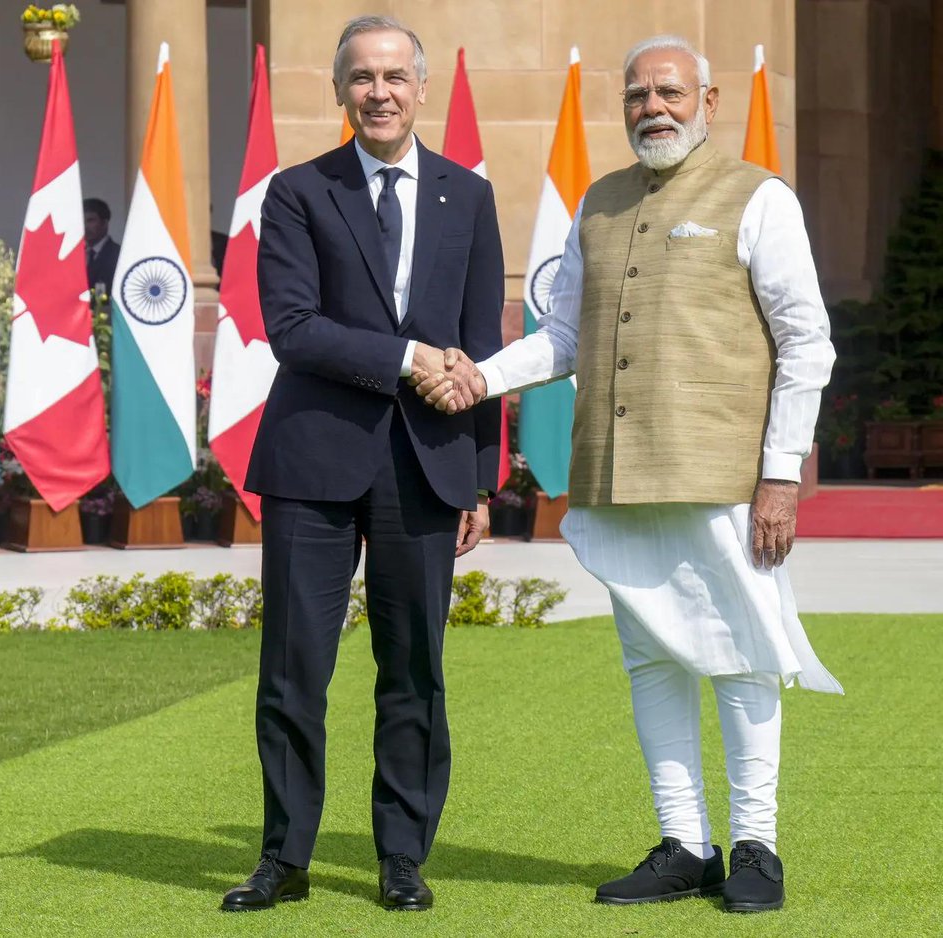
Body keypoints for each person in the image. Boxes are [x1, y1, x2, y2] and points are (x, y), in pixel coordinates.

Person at [413, 34, 841, 915]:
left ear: (708, 102)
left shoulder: (761, 198)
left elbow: (807, 342)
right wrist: (480, 378)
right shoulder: (599, 203)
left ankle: (756, 846)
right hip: (616, 474)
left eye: (671, 93)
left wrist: (781, 475)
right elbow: (565, 336)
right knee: (652, 658)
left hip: (725, 478)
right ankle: (685, 844)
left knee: (744, 658)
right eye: (638, 95)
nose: (654, 108)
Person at [220, 14, 504, 913]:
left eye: (394, 77)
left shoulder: (470, 196)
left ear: (421, 88)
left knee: (414, 669)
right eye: (362, 78)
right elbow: (292, 327)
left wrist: (481, 477)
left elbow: (482, 348)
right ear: (340, 90)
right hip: (312, 463)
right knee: (295, 667)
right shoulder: (298, 191)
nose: (379, 93)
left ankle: (402, 858)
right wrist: (408, 358)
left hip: (428, 466)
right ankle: (284, 858)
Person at [83, 197, 120, 292]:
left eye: (90, 220)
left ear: (104, 223)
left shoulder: (119, 255)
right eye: (81, 221)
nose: (85, 226)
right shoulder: (75, 255)